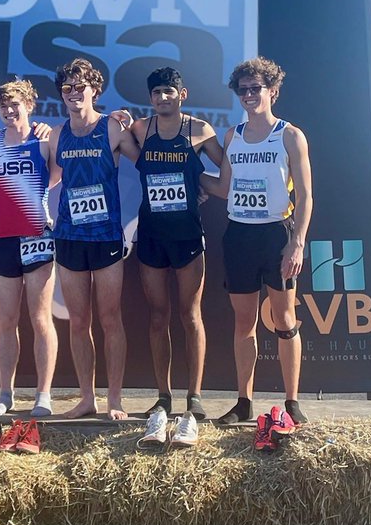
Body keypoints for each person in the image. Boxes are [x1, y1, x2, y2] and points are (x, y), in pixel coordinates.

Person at [208, 57, 313, 427]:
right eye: (243, 90)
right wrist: (187, 174)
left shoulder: (290, 135)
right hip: (239, 234)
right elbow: (224, 187)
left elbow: (306, 196)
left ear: (273, 91)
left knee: (284, 320)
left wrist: (297, 243)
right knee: (244, 323)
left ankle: (292, 402)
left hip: (276, 234)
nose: (249, 95)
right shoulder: (232, 136)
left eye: (256, 88)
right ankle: (243, 401)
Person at [131, 67, 223, 429]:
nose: (162, 97)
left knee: (190, 315)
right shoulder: (141, 129)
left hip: (187, 237)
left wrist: (200, 182)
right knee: (158, 316)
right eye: (156, 92)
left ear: (182, 95)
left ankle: (194, 396)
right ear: (150, 98)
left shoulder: (199, 130)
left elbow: (229, 176)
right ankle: (163, 395)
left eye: (169, 91)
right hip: (151, 235)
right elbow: (110, 133)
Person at [47, 58, 139, 420]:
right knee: (78, 321)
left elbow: (147, 162)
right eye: (67, 88)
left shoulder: (112, 128)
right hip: (69, 236)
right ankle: (87, 397)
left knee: (110, 318)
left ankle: (114, 399)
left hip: (105, 237)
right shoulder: (56, 134)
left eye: (80, 87)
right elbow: (48, 179)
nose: (73, 93)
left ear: (94, 91)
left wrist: (192, 185)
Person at [0, 79, 58, 419]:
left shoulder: (46, 139)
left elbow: (59, 172)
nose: (9, 111)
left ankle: (43, 395)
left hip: (37, 235)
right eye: (3, 106)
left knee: (40, 318)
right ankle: (6, 394)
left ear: (29, 105)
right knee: (6, 321)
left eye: (15, 104)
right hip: (3, 240)